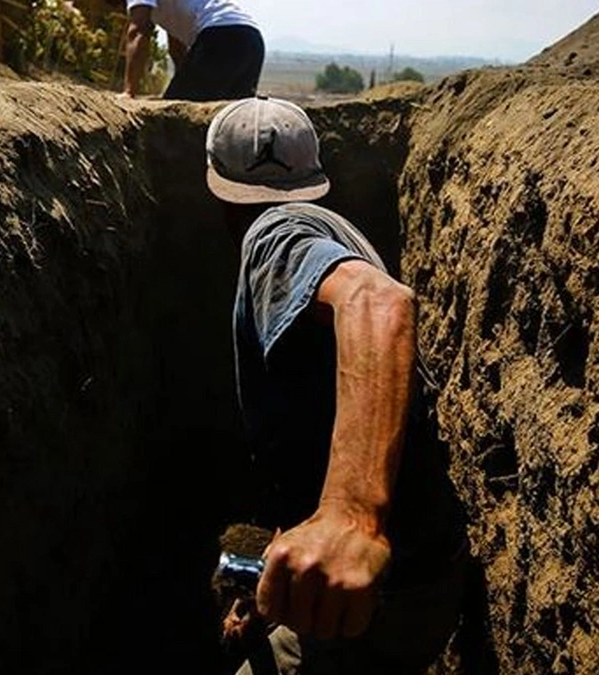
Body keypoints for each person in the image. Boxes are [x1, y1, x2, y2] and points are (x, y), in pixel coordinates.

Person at [205, 95, 471, 674]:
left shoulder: (274, 234)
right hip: (418, 575)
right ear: (314, 176)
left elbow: (379, 302)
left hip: (376, 594)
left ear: (219, 189)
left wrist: (350, 516)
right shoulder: (332, 229)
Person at [108, 0, 264, 101]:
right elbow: (176, 46)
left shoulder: (142, 6)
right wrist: (182, 82)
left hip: (221, 37)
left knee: (170, 123)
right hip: (251, 39)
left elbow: (138, 30)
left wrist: (129, 92)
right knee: (231, 121)